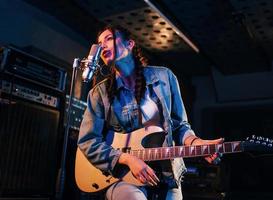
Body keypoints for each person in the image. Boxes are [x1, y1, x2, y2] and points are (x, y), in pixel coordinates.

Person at [78, 25, 224, 200]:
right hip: (122, 177)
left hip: (166, 175)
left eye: (108, 39)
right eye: (99, 43)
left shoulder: (164, 77)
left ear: (130, 44)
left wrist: (197, 143)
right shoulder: (98, 94)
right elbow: (88, 141)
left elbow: (179, 126)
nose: (102, 46)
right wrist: (127, 159)